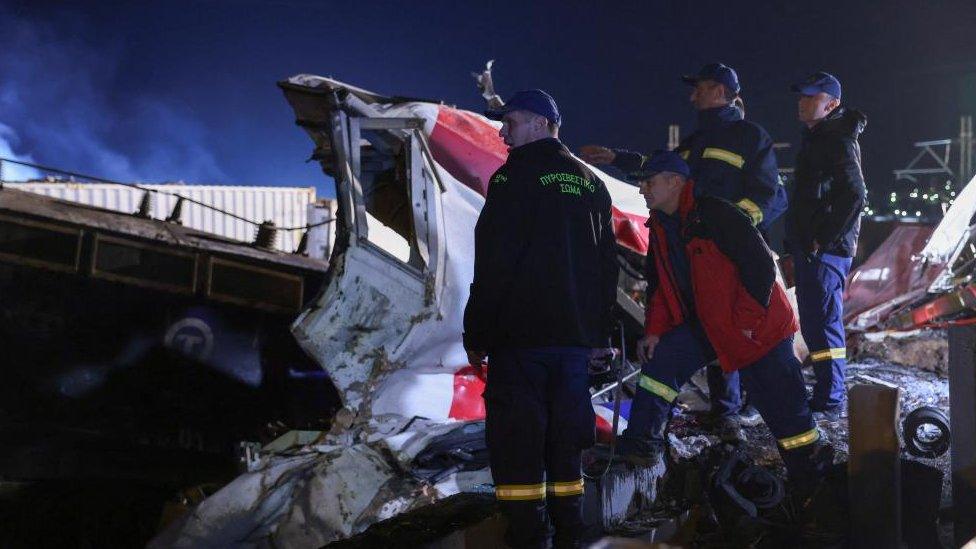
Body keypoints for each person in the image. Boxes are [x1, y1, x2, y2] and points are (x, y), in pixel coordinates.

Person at [580, 63, 787, 442]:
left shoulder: (749, 137)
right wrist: (617, 158)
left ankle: (734, 411)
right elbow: (660, 169)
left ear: (722, 91)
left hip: (730, 254)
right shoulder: (691, 145)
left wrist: (732, 229)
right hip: (692, 253)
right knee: (705, 320)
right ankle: (722, 411)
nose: (693, 96)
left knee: (732, 322)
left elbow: (769, 194)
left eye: (701, 88)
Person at [616, 149, 831, 488]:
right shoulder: (660, 226)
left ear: (675, 182)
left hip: (758, 327)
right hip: (710, 324)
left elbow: (760, 268)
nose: (643, 189)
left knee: (784, 410)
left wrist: (744, 322)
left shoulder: (715, 213)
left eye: (649, 182)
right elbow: (660, 288)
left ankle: (812, 477)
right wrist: (654, 332)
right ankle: (641, 445)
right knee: (662, 359)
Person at [463, 89, 619, 549]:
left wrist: (477, 330)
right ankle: (571, 530)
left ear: (537, 122)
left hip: (522, 340)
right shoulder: (591, 183)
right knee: (566, 441)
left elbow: (493, 260)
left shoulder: (513, 178)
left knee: (518, 443)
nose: (502, 131)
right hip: (573, 344)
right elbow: (605, 268)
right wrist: (599, 335)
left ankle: (529, 535)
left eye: (508, 122)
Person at [786, 72, 867, 421]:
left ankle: (831, 397)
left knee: (825, 322)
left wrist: (825, 239)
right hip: (813, 248)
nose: (802, 103)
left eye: (810, 97)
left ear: (831, 104)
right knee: (815, 324)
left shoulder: (838, 140)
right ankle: (824, 391)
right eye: (801, 97)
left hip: (827, 251)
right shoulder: (818, 138)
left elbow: (855, 193)